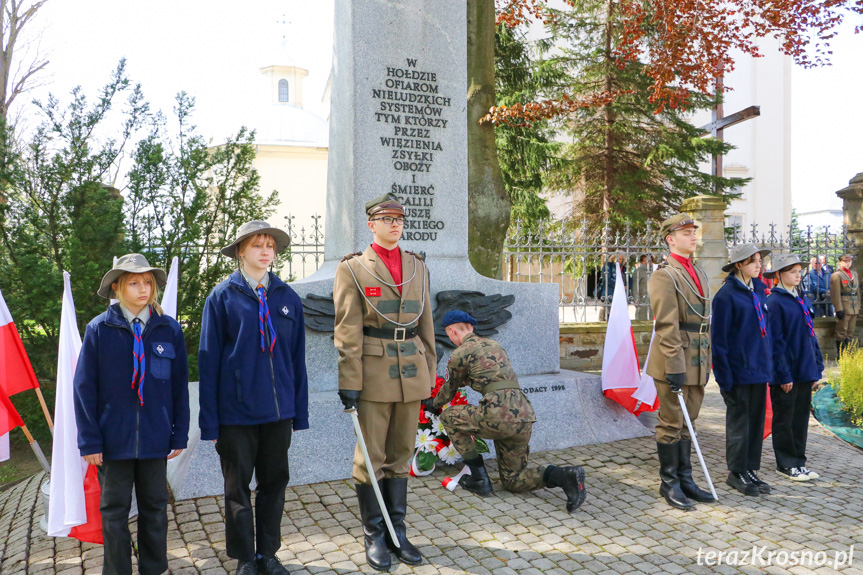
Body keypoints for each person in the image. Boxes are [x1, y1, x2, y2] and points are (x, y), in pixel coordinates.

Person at [199, 221, 309, 575]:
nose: (265, 251)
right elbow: (209, 360)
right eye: (257, 245)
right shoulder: (222, 297)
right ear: (241, 252)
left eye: (270, 246)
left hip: (278, 414)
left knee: (274, 484)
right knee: (237, 490)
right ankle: (246, 557)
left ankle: (269, 555)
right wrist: (210, 420)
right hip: (236, 414)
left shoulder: (287, 297)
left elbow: (296, 358)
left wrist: (299, 411)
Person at [333, 193, 435, 571]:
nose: (395, 224)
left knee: (401, 455)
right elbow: (347, 330)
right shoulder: (354, 268)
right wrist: (350, 380)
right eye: (387, 218)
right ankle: (374, 535)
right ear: (372, 224)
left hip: (411, 369)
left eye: (400, 218)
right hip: (374, 372)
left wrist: (430, 367)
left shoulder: (417, 266)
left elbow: (426, 323)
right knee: (371, 458)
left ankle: (398, 533)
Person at [74, 254, 190, 575]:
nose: (143, 288)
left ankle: (153, 568)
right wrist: (90, 441)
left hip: (155, 439)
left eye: (148, 282)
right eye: (134, 282)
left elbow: (179, 386)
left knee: (155, 509)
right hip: (113, 442)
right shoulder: (99, 330)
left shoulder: (168, 330)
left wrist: (179, 433)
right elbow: (84, 389)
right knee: (114, 513)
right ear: (117, 287)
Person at [424, 310, 586, 512]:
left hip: (497, 415)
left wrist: (433, 404)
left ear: (451, 331)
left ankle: (479, 478)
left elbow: (451, 387)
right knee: (513, 480)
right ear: (471, 328)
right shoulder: (496, 346)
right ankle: (564, 475)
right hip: (523, 415)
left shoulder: (460, 353)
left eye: (449, 333)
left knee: (449, 416)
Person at [645, 214, 715, 510]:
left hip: (698, 357)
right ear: (670, 239)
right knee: (671, 422)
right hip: (675, 359)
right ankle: (669, 482)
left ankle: (686, 479)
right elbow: (667, 325)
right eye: (686, 233)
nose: (693, 236)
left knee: (689, 421)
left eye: (693, 232)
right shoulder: (665, 275)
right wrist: (674, 366)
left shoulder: (698, 271)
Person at [712, 244, 773, 497]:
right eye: (753, 261)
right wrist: (724, 378)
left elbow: (766, 333)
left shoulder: (758, 291)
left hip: (759, 370)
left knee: (756, 422)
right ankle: (736, 472)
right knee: (740, 423)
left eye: (760, 260)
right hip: (738, 372)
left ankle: (750, 468)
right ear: (739, 264)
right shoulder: (726, 295)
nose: (759, 265)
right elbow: (720, 340)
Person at [764, 253, 824, 482]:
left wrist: (816, 367)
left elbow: (810, 336)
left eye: (799, 271)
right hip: (787, 372)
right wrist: (782, 374)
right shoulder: (775, 301)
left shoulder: (801, 298)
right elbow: (776, 342)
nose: (798, 275)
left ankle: (799, 462)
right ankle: (786, 464)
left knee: (799, 419)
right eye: (792, 271)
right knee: (785, 419)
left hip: (804, 369)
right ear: (778, 275)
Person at [830, 253, 859, 355]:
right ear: (840, 262)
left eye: (849, 261)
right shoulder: (837, 275)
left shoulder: (854, 274)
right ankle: (841, 355)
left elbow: (857, 291)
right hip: (844, 306)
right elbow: (835, 293)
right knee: (842, 331)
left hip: (854, 306)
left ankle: (848, 354)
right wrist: (838, 308)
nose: (847, 263)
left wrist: (859, 305)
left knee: (850, 332)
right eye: (845, 261)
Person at [632, 254, 652, 320]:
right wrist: (635, 299)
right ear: (642, 262)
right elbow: (634, 285)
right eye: (647, 261)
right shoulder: (638, 271)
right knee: (642, 317)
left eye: (650, 260)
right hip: (642, 299)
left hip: (652, 299)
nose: (649, 262)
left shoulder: (653, 270)